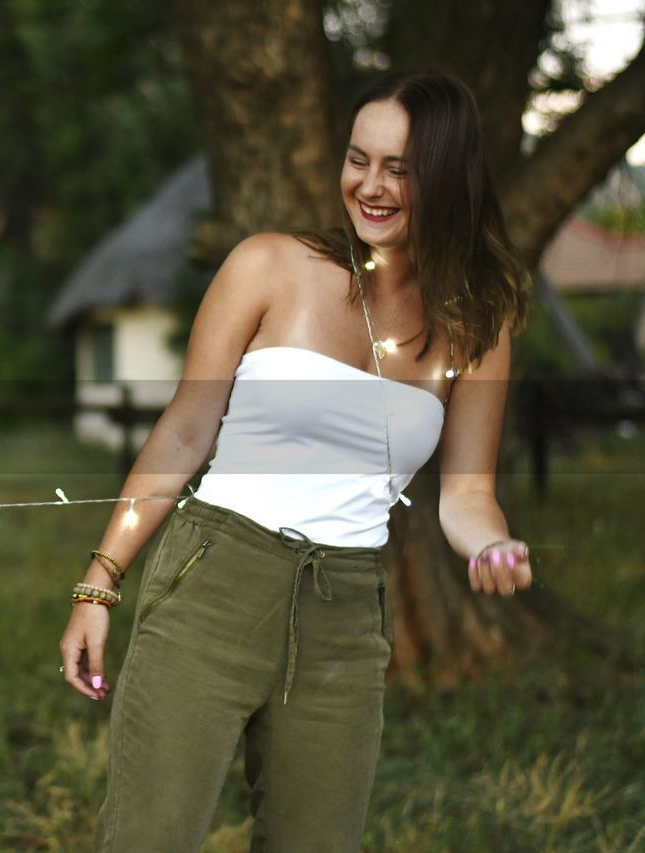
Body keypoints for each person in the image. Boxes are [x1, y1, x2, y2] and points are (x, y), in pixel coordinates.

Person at [58, 71, 533, 852]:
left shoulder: (476, 325)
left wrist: (490, 543)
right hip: (213, 580)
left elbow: (467, 494)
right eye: (358, 159)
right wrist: (99, 581)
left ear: (448, 177)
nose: (369, 186)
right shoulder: (271, 266)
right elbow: (183, 432)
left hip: (345, 613)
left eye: (399, 169)